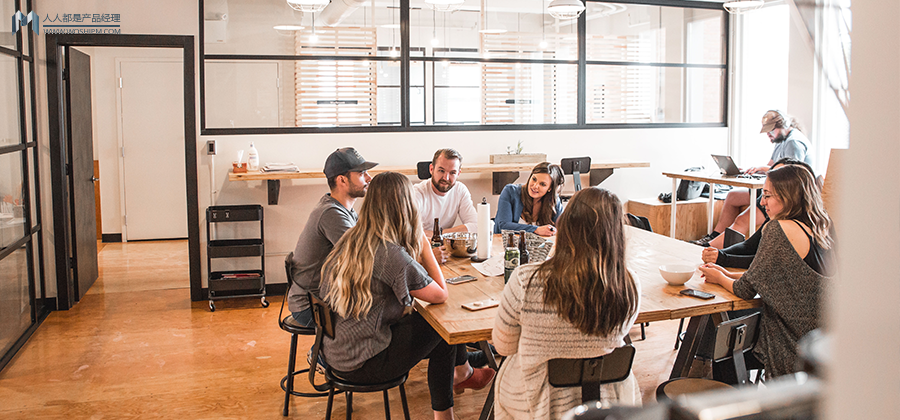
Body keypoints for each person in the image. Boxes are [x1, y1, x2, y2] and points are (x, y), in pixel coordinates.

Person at [319, 172, 494, 420]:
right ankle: (452, 398)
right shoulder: (390, 254)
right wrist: (423, 244)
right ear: (406, 208)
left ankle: (461, 376)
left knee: (434, 327)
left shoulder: (352, 239)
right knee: (442, 327)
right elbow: (440, 294)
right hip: (364, 362)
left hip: (336, 352)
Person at [493, 187, 642, 419]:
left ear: (565, 226)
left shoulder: (526, 279)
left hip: (538, 401)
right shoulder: (629, 283)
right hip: (606, 397)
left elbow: (503, 346)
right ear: (616, 233)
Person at [699, 165, 833, 380]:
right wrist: (726, 273)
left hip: (791, 344)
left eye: (767, 195)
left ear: (788, 196)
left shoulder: (779, 228)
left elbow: (745, 290)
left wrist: (719, 278)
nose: (762, 202)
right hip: (820, 340)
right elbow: (770, 277)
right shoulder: (819, 226)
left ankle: (734, 406)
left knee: (721, 346)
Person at [692, 110, 812, 247]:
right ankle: (714, 237)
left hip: (786, 196)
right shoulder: (780, 140)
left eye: (771, 131)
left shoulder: (794, 142)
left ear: (783, 126)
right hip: (775, 190)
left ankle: (713, 248)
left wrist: (764, 169)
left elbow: (791, 175)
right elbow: (772, 166)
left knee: (742, 219)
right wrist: (753, 170)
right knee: (732, 196)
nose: (768, 135)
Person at [286, 147, 377, 328]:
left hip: (324, 300)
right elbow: (364, 257)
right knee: (384, 317)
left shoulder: (344, 210)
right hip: (312, 308)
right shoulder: (332, 214)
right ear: (342, 180)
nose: (369, 179)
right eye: (361, 173)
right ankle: (325, 355)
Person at [700, 158, 817, 269]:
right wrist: (717, 254)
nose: (762, 202)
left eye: (767, 194)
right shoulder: (782, 217)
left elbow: (761, 266)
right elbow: (750, 246)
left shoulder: (789, 227)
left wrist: (722, 259)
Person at [414, 148, 479, 264]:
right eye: (441, 171)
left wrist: (438, 235)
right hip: (421, 254)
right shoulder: (417, 193)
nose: (446, 178)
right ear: (431, 169)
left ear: (458, 173)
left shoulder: (460, 190)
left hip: (446, 254)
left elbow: (475, 226)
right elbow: (410, 232)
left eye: (452, 173)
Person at [494, 162, 565, 237]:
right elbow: (503, 226)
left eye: (542, 184)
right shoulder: (510, 192)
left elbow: (562, 228)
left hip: (540, 247)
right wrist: (536, 230)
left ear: (550, 188)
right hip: (505, 245)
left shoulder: (553, 201)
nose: (535, 186)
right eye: (534, 179)